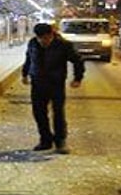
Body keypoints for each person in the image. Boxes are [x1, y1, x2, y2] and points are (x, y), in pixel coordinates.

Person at [22, 23, 84, 154]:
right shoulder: (33, 43)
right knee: (39, 113)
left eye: (45, 38)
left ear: (51, 35)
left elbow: (78, 60)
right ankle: (45, 140)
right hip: (37, 83)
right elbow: (28, 59)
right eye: (39, 38)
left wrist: (77, 78)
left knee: (58, 113)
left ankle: (60, 141)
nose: (42, 41)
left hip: (55, 83)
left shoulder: (63, 45)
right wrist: (25, 74)